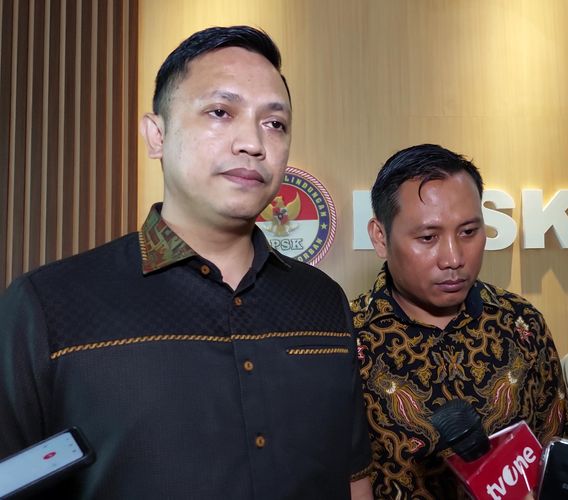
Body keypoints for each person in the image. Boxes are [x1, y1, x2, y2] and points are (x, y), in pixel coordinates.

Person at [0, 26, 372, 499]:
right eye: (220, 112)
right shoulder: (47, 306)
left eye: (275, 123)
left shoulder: (323, 300)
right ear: (156, 135)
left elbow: (353, 476)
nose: (252, 143)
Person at [351, 144, 568, 498]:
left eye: (469, 232)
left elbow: (558, 449)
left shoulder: (521, 323)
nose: (454, 258)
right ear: (381, 237)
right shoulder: (347, 338)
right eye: (428, 237)